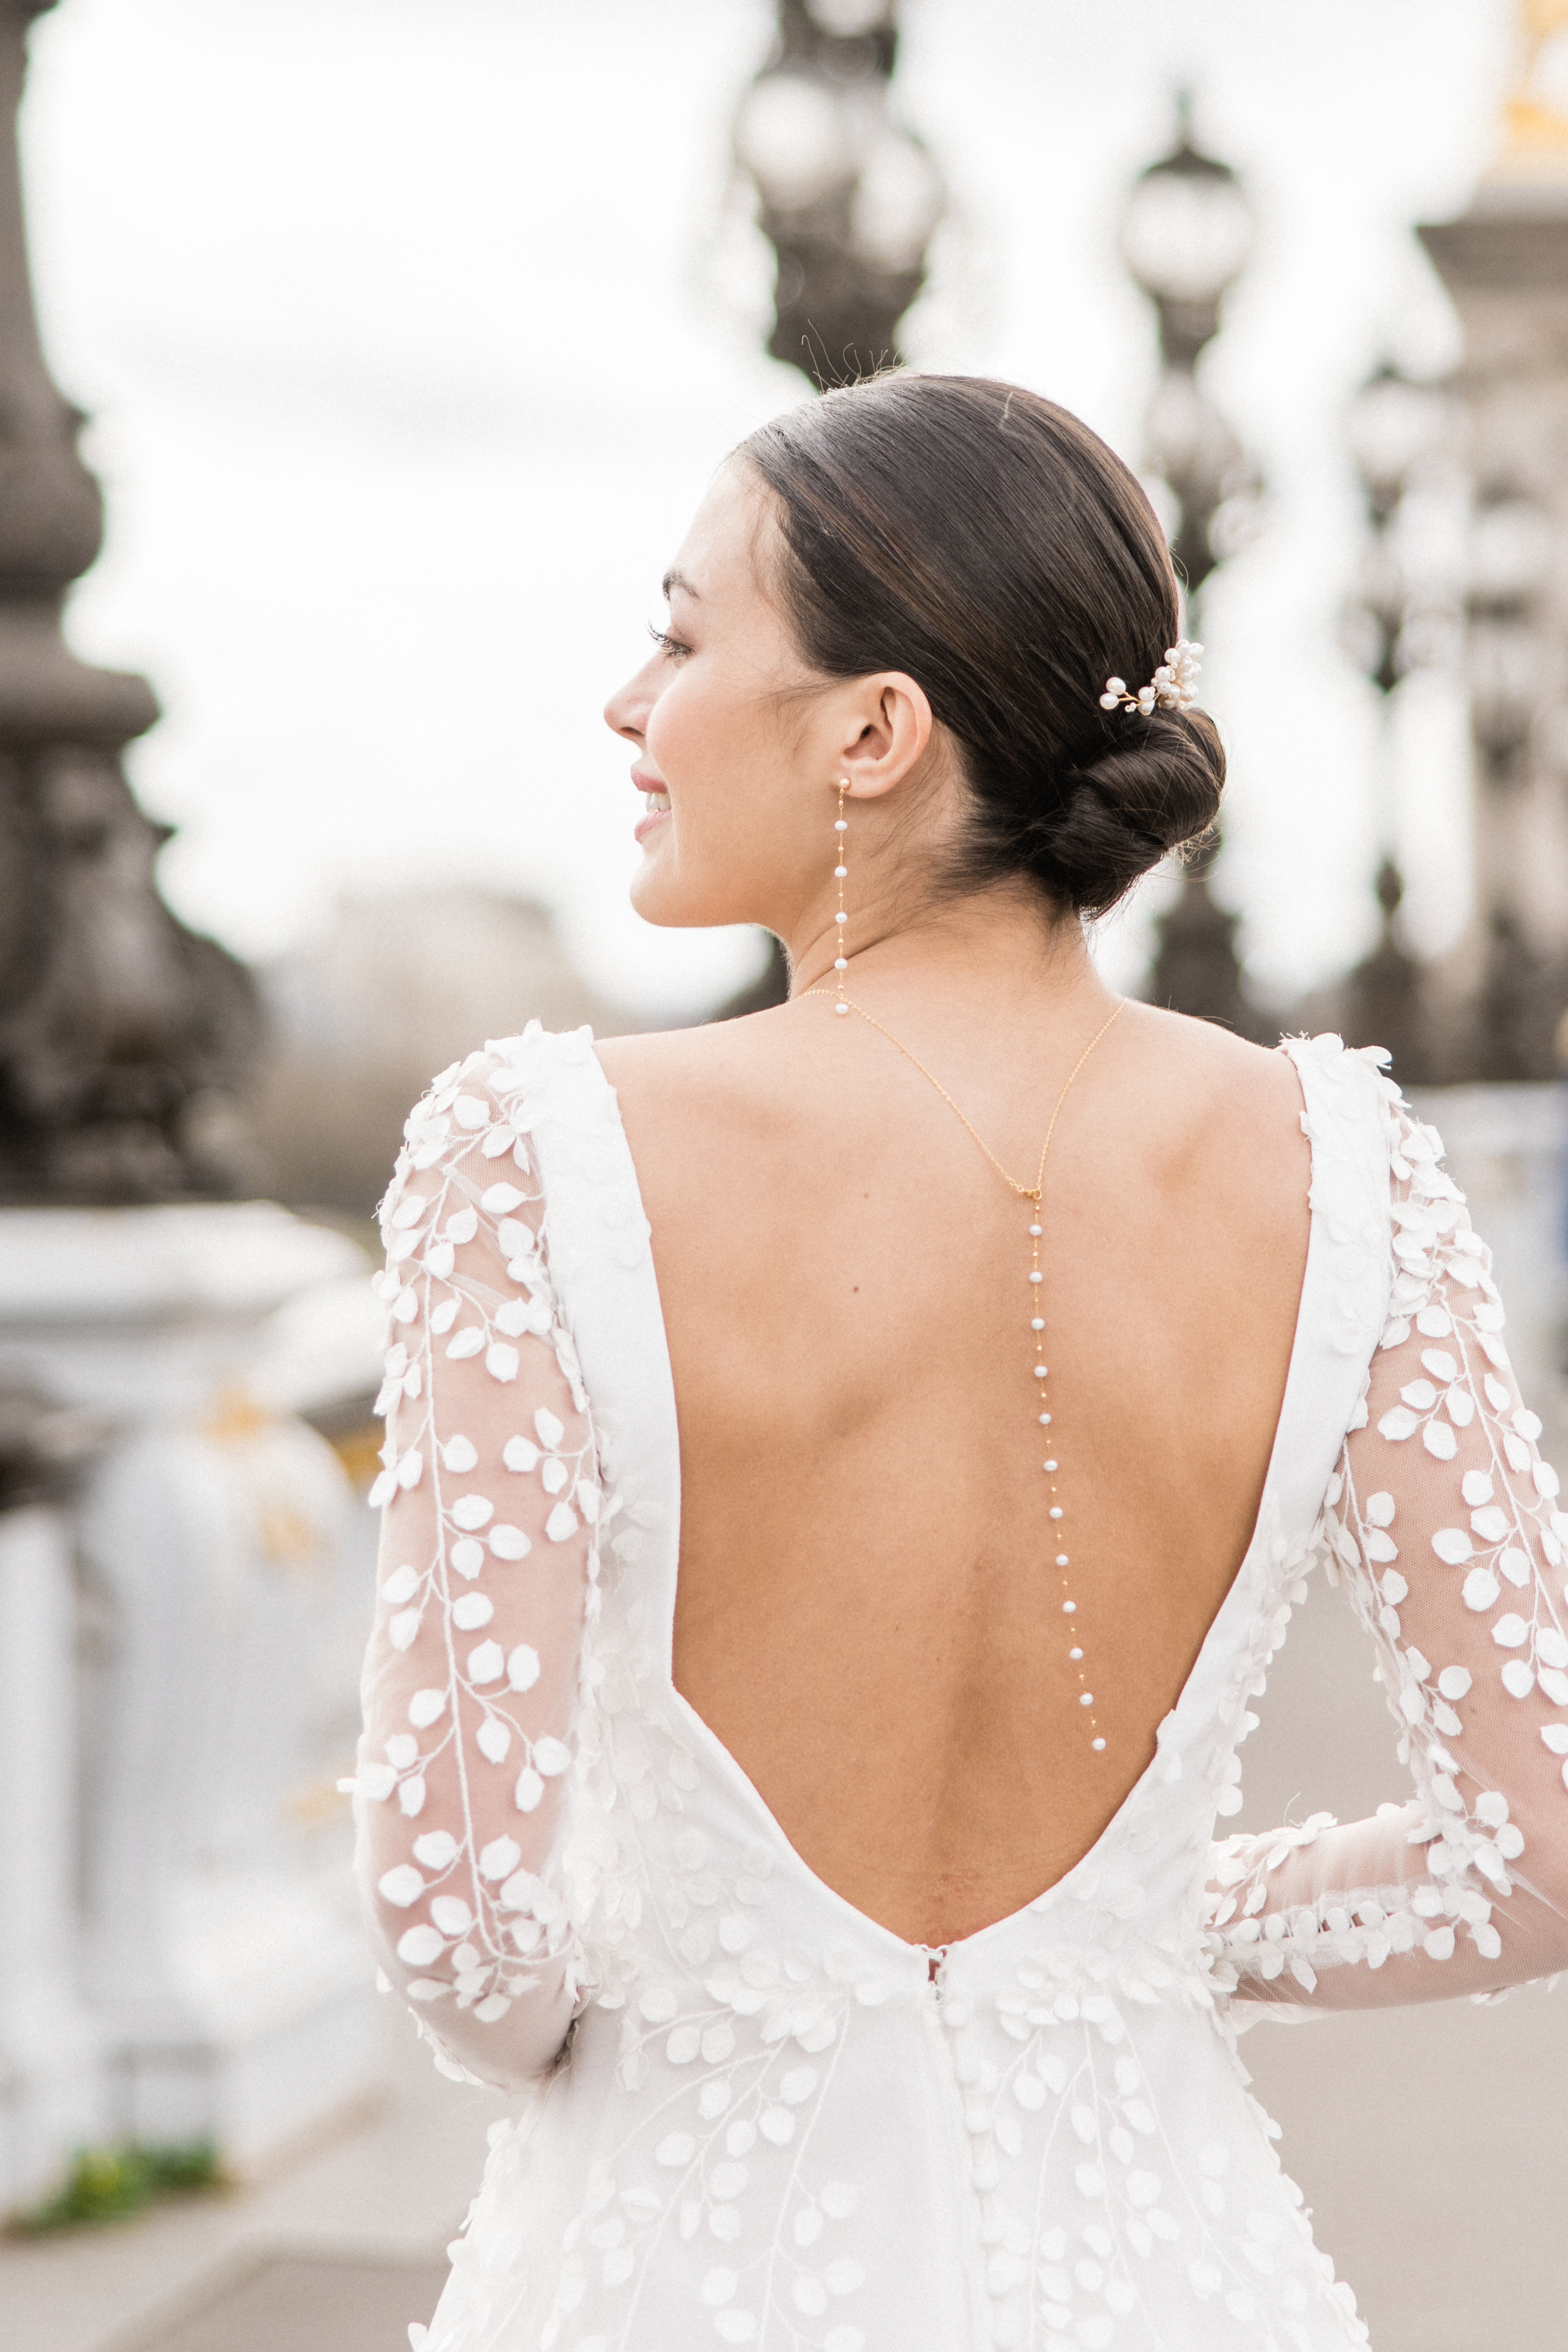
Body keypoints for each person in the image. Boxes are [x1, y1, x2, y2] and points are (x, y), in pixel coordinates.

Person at [352, 376, 1568, 2352]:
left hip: (685, 2262)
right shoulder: (1343, 1177)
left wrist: (693, 1979)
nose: (625, 702)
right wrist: (1131, 1929)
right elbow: (1538, 1848)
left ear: (871, 731)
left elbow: (461, 1910)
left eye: (675, 634)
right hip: (1172, 2271)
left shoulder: (538, 1158)